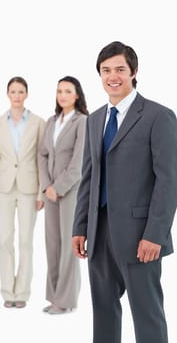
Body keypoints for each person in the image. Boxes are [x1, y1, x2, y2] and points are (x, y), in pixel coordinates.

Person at [72, 41, 177, 343]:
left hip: (139, 235)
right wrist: (80, 227)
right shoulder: (94, 119)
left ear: (134, 72)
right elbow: (88, 177)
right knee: (103, 312)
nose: (112, 76)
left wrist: (155, 234)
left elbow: (168, 181)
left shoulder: (159, 116)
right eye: (106, 70)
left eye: (119, 69)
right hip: (99, 231)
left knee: (147, 314)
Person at [0, 76, 45, 308]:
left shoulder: (38, 122)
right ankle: (6, 293)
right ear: (7, 94)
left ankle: (21, 293)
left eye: (21, 91)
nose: (17, 95)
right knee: (4, 241)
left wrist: (41, 193)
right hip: (3, 187)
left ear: (27, 94)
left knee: (26, 241)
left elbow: (42, 159)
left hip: (29, 187)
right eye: (13, 91)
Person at [38, 75, 88, 314]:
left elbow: (79, 163)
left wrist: (58, 188)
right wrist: (47, 186)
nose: (63, 95)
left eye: (68, 91)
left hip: (70, 193)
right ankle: (54, 296)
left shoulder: (82, 122)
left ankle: (66, 301)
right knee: (52, 244)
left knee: (69, 246)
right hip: (50, 194)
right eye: (59, 91)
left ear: (77, 94)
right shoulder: (51, 121)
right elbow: (42, 155)